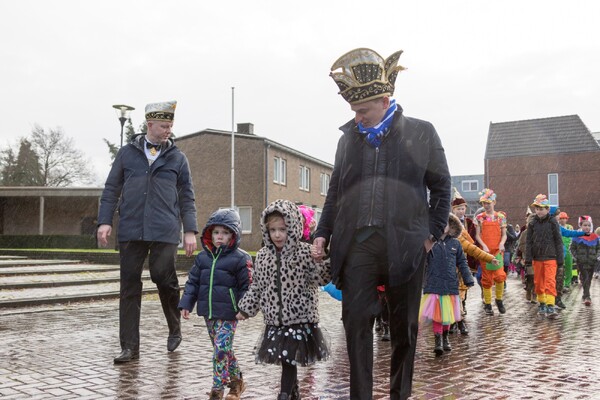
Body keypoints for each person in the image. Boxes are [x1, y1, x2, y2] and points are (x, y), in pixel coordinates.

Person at [313, 48, 451, 400]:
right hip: (358, 245)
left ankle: (399, 394)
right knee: (356, 324)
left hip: (407, 244)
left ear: (385, 100)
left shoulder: (423, 132)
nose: (357, 118)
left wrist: (431, 235)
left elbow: (441, 187)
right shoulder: (348, 140)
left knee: (404, 329)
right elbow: (335, 192)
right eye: (353, 112)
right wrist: (321, 233)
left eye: (362, 111)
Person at [97, 100, 198, 363]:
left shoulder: (178, 158)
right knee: (129, 286)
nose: (168, 130)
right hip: (130, 228)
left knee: (162, 277)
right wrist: (104, 221)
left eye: (171, 126)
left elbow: (187, 196)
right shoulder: (126, 154)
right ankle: (130, 347)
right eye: (164, 125)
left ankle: (174, 326)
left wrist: (190, 230)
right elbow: (111, 189)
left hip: (164, 229)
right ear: (149, 124)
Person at [236, 199, 331, 400]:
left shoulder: (304, 252)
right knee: (287, 359)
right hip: (275, 321)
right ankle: (292, 390)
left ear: (294, 228)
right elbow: (258, 286)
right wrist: (245, 309)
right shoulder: (263, 256)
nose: (277, 235)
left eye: (282, 229)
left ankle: (284, 393)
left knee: (289, 358)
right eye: (273, 230)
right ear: (266, 230)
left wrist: (322, 259)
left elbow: (321, 278)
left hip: (300, 318)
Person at [178, 209, 252, 400]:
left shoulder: (240, 258)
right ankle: (237, 382)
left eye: (225, 233)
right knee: (224, 350)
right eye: (216, 232)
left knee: (220, 350)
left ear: (233, 235)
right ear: (210, 234)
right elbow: (193, 282)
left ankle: (217, 390)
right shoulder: (202, 258)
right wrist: (187, 303)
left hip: (230, 314)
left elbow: (247, 286)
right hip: (208, 313)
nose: (220, 236)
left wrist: (244, 309)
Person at [419, 214, 474, 356]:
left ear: (451, 227)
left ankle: (445, 337)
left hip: (450, 284)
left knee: (447, 315)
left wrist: (468, 278)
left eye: (446, 224)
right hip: (433, 283)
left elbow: (462, 262)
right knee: (437, 315)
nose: (443, 227)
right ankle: (437, 341)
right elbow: (421, 262)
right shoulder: (429, 242)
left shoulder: (455, 244)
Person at [524, 194, 563, 319]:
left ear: (547, 209)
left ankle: (550, 305)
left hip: (551, 256)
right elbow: (528, 242)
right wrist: (528, 259)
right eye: (537, 209)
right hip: (537, 257)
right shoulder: (532, 223)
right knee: (539, 282)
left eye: (541, 209)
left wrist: (560, 259)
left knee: (550, 281)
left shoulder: (552, 222)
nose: (539, 211)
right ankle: (542, 303)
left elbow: (558, 240)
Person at [474, 188, 507, 315]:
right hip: (485, 252)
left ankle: (499, 299)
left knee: (499, 276)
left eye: (488, 202)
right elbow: (477, 235)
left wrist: (501, 243)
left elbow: (504, 234)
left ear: (494, 202)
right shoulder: (479, 218)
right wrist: (483, 246)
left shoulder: (500, 217)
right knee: (487, 278)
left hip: (498, 251)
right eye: (484, 203)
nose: (486, 205)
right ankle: (488, 304)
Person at [570, 216, 600, 306]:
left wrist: (596, 256)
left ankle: (585, 293)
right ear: (581, 226)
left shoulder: (595, 237)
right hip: (581, 261)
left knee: (589, 279)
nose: (587, 227)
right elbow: (572, 248)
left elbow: (598, 248)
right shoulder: (577, 237)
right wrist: (577, 257)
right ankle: (587, 297)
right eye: (585, 225)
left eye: (588, 225)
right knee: (585, 277)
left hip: (592, 261)